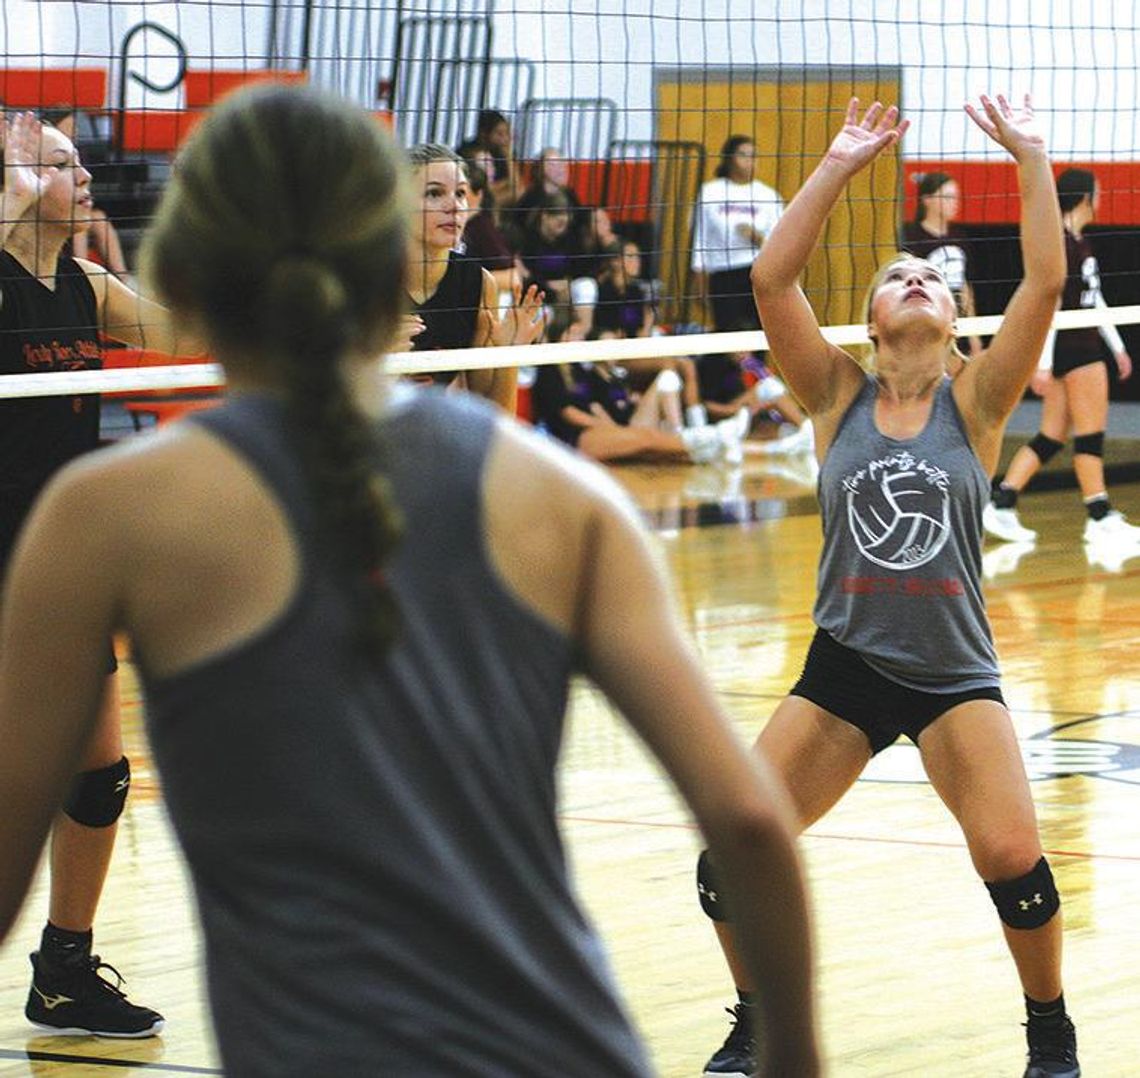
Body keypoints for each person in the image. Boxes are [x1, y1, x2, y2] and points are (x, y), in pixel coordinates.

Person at [0, 84, 820, 1077]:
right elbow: (746, 820)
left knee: (99, 774)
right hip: (566, 1045)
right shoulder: (562, 502)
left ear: (194, 258)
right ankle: (69, 966)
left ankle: (67, 961)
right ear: (386, 258)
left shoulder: (111, 516)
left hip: (310, 1047)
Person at [696, 96, 1079, 1078]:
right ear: (871, 320)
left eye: (930, 277)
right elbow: (770, 276)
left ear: (955, 321)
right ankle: (758, 1022)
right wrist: (834, 164)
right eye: (895, 275)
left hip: (954, 671)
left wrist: (1030, 156)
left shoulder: (979, 399)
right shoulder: (834, 396)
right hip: (846, 666)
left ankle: (1052, 1036)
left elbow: (1046, 275)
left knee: (1012, 863)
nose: (914, 277)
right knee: (730, 853)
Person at [0, 109, 203, 1038]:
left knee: (98, 775)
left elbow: (188, 332)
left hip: (54, 573)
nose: (84, 175)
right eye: (57, 163)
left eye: (82, 161)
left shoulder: (85, 283)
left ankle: (64, 972)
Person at [983, 167, 1137, 548]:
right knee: (1090, 436)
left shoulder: (1077, 241)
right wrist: (1044, 363)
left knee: (1051, 436)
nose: (1100, 200)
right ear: (1085, 198)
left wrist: (1117, 345)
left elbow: (1093, 298)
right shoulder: (1063, 245)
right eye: (1097, 193)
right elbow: (1050, 306)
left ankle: (1001, 502)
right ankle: (1099, 517)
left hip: (1076, 346)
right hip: (1077, 351)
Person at [404, 142, 544, 413]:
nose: (454, 207)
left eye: (460, 194)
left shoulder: (478, 283)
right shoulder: (366, 277)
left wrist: (508, 355)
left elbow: (494, 418)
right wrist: (381, 366)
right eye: (434, 193)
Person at [691, 135, 784, 333]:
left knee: (758, 334)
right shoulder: (710, 192)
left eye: (753, 156)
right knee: (728, 336)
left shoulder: (768, 196)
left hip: (756, 272)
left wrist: (757, 237)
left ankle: (757, 365)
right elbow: (699, 239)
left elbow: (780, 246)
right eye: (743, 155)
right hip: (722, 273)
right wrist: (699, 280)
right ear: (729, 158)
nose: (749, 161)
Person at [900, 171, 982, 357]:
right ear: (927, 200)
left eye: (956, 197)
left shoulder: (960, 237)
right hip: (926, 322)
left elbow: (965, 288)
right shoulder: (911, 237)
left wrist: (974, 333)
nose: (954, 202)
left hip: (955, 323)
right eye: (947, 197)